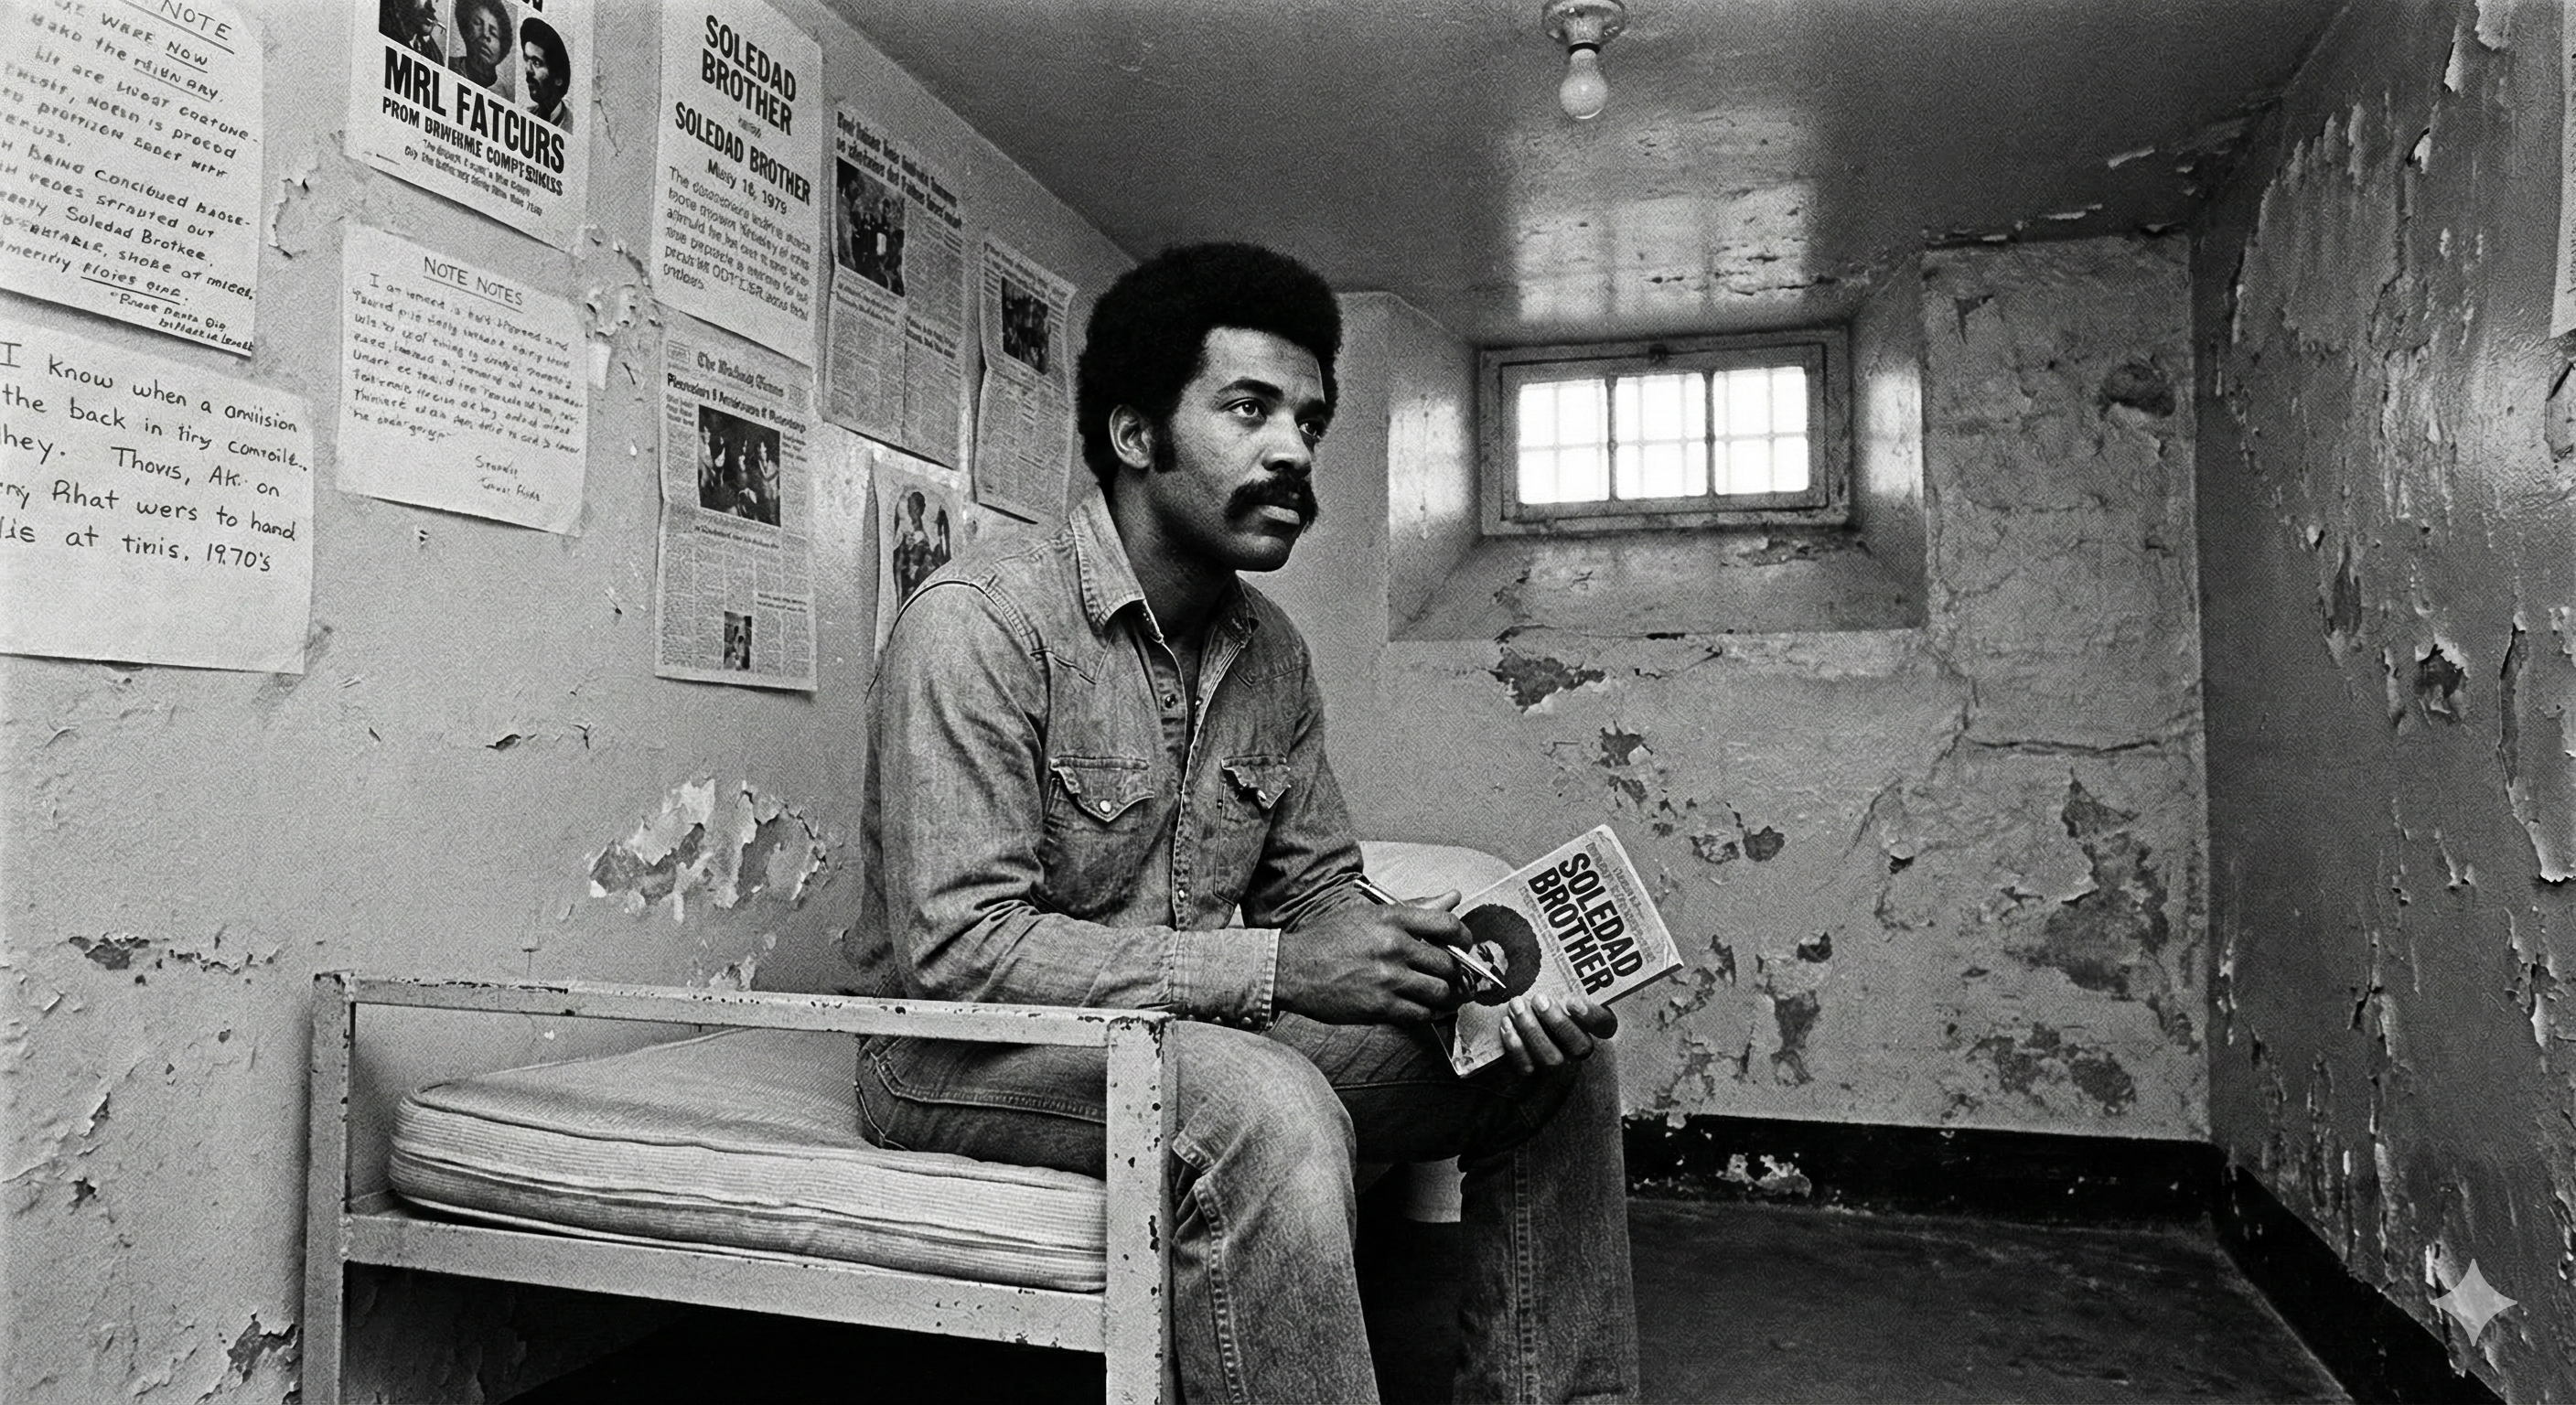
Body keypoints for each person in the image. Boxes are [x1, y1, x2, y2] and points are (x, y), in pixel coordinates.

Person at [852, 242, 1637, 1404]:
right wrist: (1277, 969)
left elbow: (1314, 895)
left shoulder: (1270, 654)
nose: (1292, 451)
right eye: (1248, 409)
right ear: (1134, 436)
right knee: (1266, 1103)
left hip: (1176, 1037)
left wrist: (1442, 969)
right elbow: (960, 956)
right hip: (955, 1053)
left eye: (1308, 421)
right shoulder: (978, 625)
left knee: (1555, 1062)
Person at [449, 0, 514, 98]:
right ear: (465, 29)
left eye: (493, 33)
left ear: (502, 47)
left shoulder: (506, 94)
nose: (485, 34)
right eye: (477, 23)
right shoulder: (447, 64)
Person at [519, 16, 572, 129]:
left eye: (536, 63)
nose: (528, 69)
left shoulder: (572, 126)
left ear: (558, 78)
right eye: (526, 59)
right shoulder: (523, 118)